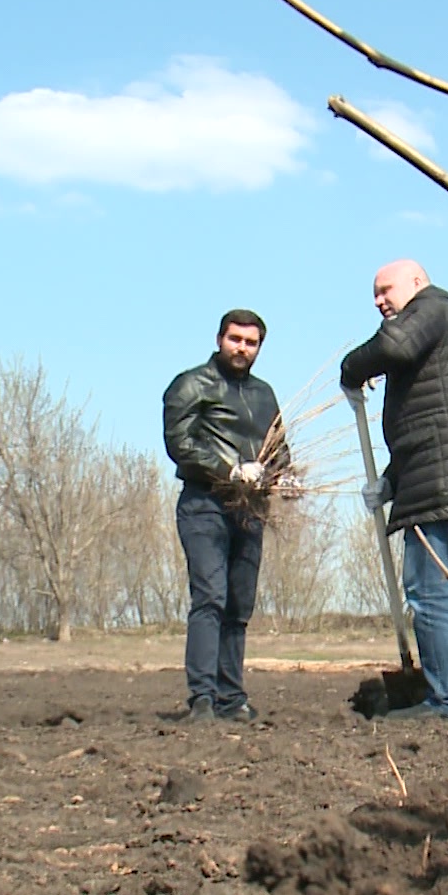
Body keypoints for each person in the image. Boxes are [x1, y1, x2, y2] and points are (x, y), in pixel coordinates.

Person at [342, 259, 448, 722]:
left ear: (417, 283)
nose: (381, 301)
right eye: (374, 295)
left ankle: (447, 702)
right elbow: (436, 418)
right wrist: (392, 480)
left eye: (386, 289)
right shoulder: (446, 333)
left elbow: (394, 347)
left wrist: (351, 369)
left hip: (445, 486)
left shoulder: (431, 308)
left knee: (432, 591)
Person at [163, 310, 284, 723]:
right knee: (210, 598)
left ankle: (232, 698)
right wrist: (228, 469)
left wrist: (277, 475)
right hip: (205, 504)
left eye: (251, 343)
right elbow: (179, 443)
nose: (242, 348)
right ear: (219, 339)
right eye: (235, 339)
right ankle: (202, 697)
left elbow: (279, 448)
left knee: (239, 605)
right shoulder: (190, 385)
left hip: (250, 510)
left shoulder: (265, 394)